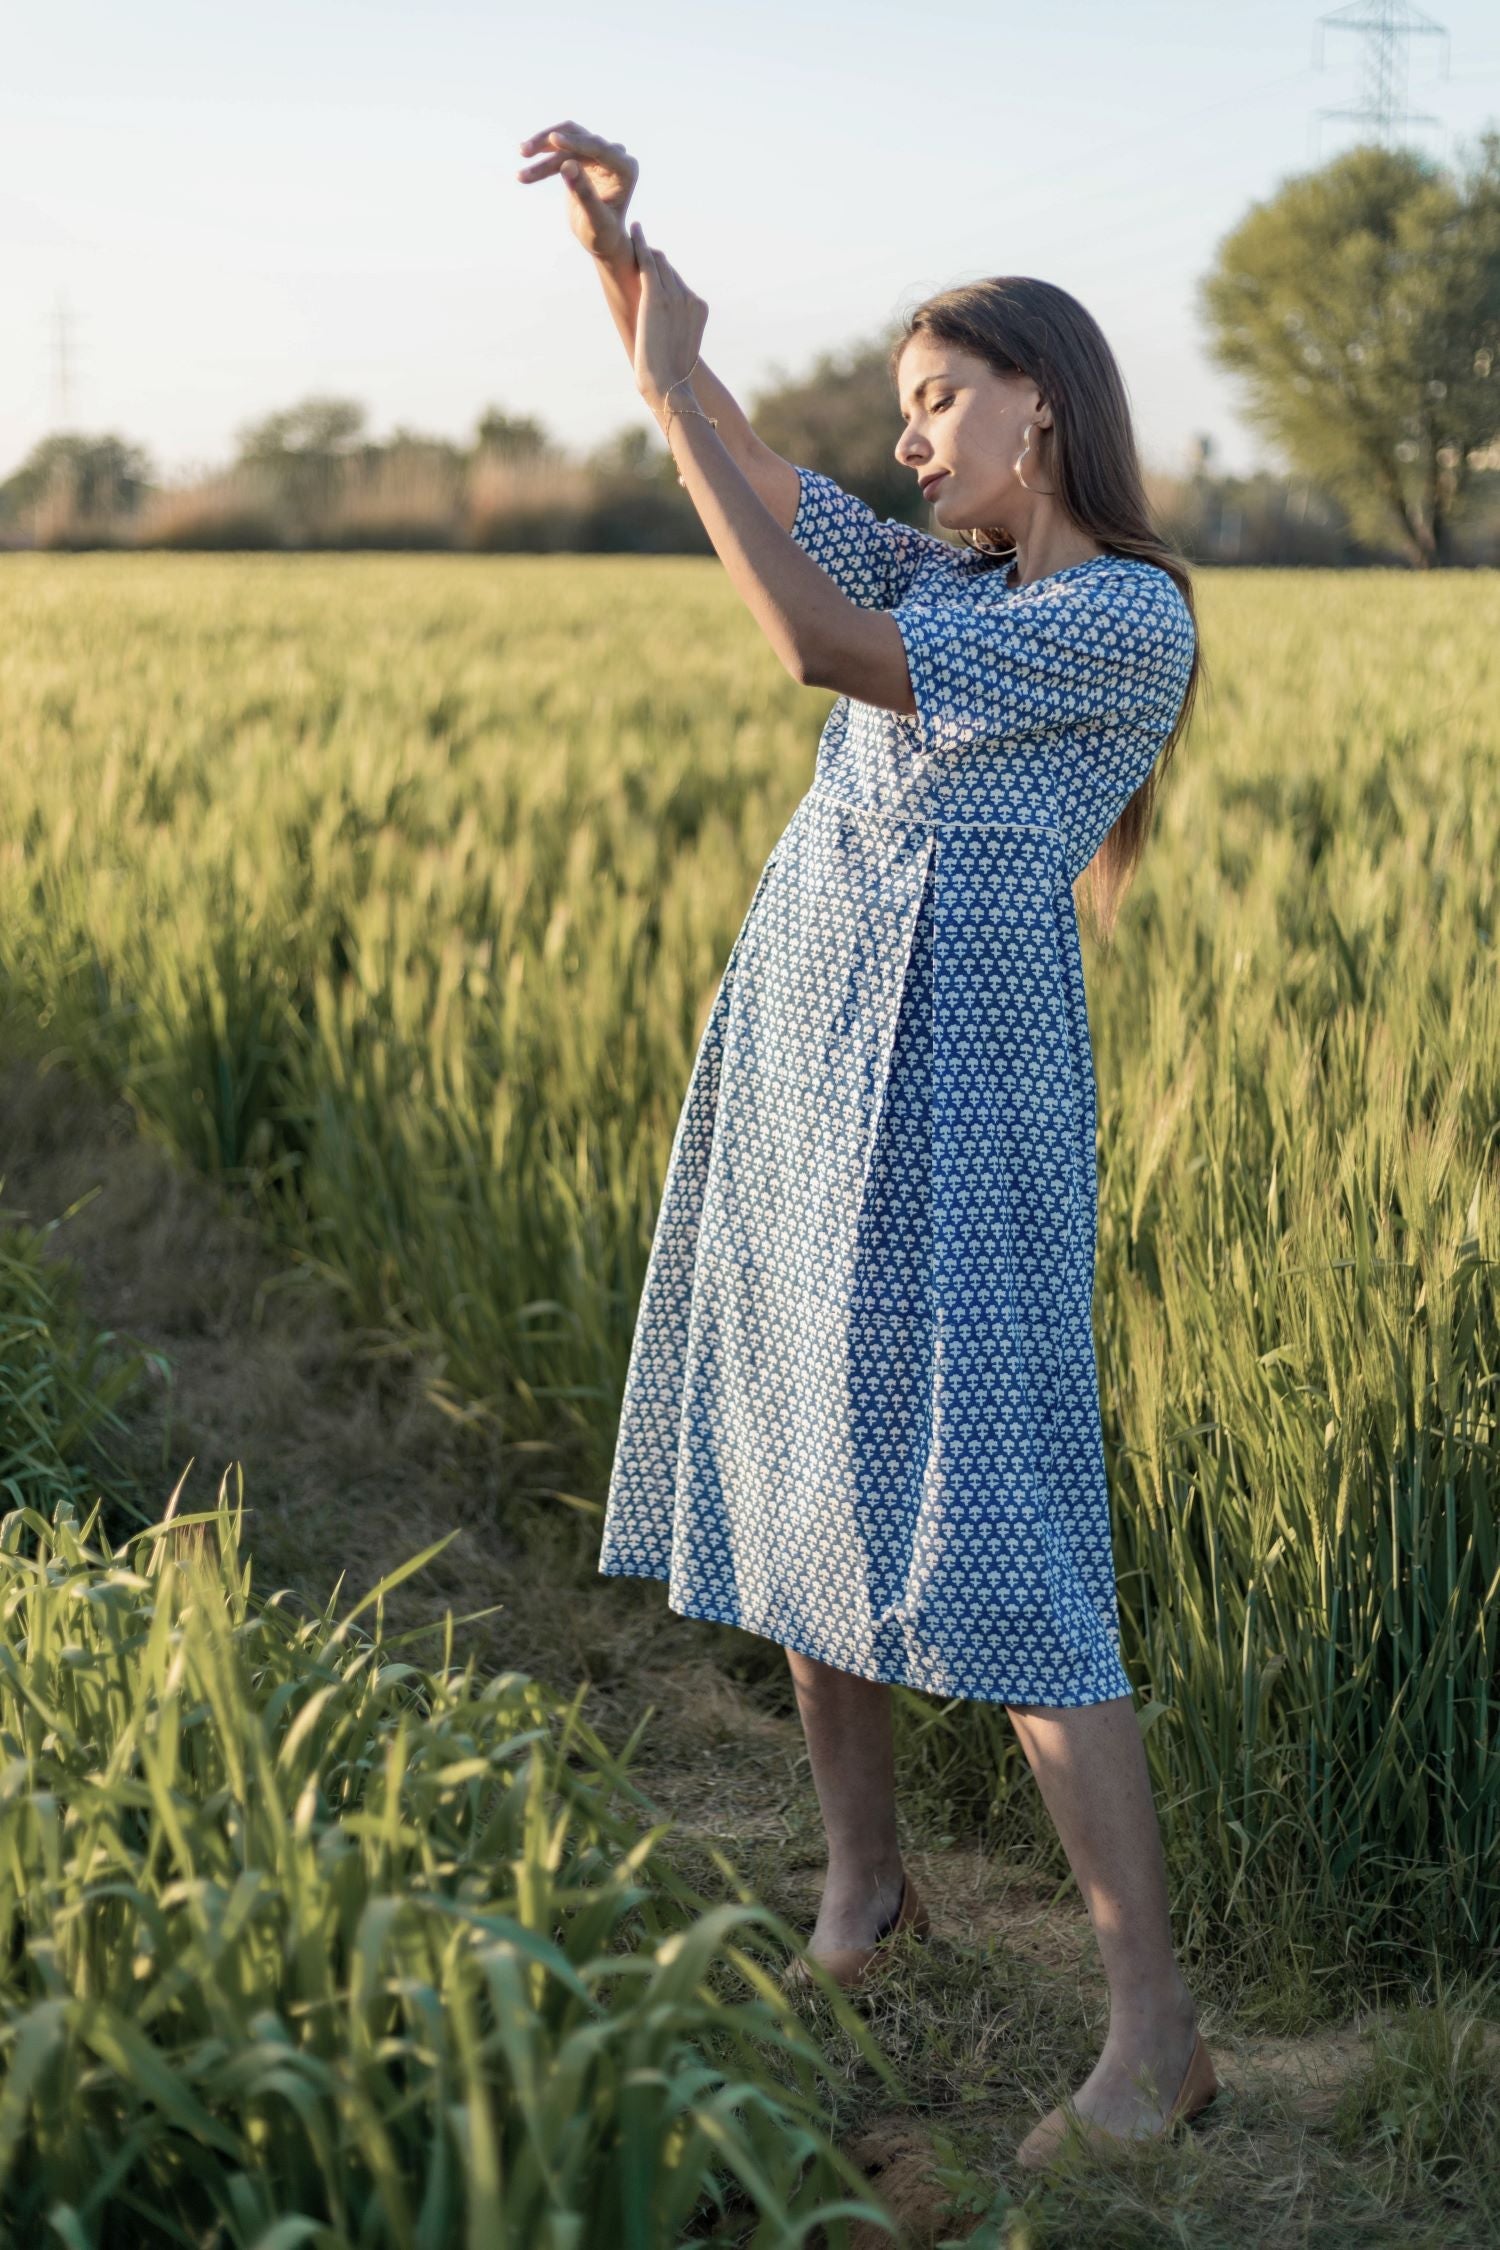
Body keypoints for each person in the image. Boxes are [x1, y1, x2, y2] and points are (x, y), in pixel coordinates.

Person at [517, 119, 1218, 2170]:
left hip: (968, 1101)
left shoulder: (1121, 621)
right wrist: (627, 275)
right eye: (904, 411)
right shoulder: (959, 561)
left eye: (938, 402)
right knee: (814, 1464)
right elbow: (754, 476)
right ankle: (864, 1886)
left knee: (1000, 1531)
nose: (908, 442)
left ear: (1042, 400)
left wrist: (665, 385)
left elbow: (815, 642)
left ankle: (1155, 2036)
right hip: (816, 1053)